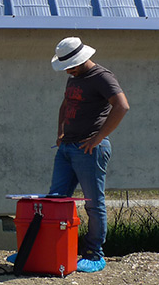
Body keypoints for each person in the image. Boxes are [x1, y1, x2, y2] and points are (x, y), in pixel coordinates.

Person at [49, 37, 130, 273]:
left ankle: (94, 253)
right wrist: (60, 132)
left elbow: (122, 106)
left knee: (93, 204)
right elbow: (65, 105)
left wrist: (97, 138)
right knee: (55, 199)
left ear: (82, 59)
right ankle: (51, 249)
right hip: (67, 147)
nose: (67, 70)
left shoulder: (102, 77)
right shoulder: (74, 78)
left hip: (90, 149)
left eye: (70, 65)